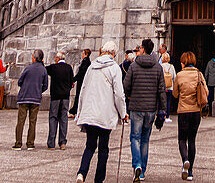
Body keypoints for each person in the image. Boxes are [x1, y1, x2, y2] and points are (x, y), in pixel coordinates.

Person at [75, 41, 127, 183]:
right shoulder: (114, 68)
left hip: (91, 113)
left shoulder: (92, 66)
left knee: (90, 146)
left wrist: (80, 111)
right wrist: (123, 113)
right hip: (105, 115)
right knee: (103, 148)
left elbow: (83, 90)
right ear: (113, 53)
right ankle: (99, 180)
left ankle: (81, 173)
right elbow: (119, 94)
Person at [123, 37, 166, 183]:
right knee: (145, 139)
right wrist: (163, 109)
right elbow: (162, 90)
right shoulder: (158, 67)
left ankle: (137, 165)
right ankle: (142, 172)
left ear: (143, 49)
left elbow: (125, 86)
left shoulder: (134, 66)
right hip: (150, 109)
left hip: (136, 107)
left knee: (135, 137)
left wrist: (130, 96)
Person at [172, 51, 208, 182]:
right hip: (195, 112)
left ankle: (185, 160)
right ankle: (191, 171)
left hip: (183, 112)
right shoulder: (199, 74)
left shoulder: (180, 75)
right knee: (192, 140)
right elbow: (206, 92)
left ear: (184, 62)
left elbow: (175, 94)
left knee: (182, 139)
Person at [13, 49, 48, 150]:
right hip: (35, 98)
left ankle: (18, 143)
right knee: (33, 122)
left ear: (35, 58)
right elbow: (45, 86)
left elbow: (20, 81)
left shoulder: (28, 68)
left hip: (24, 97)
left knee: (21, 121)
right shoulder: (43, 70)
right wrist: (38, 90)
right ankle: (30, 143)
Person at [45, 49, 73, 149]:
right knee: (63, 119)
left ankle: (51, 143)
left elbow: (45, 69)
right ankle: (62, 142)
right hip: (65, 97)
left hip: (55, 97)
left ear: (57, 58)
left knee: (53, 118)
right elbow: (71, 82)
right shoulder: (69, 68)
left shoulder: (54, 67)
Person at [70, 48, 92, 118]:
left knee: (79, 95)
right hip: (81, 80)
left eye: (83, 54)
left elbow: (81, 73)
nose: (82, 55)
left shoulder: (86, 62)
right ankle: (74, 110)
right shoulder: (85, 61)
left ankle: (74, 111)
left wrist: (74, 79)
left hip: (81, 81)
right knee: (78, 95)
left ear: (86, 54)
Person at [160, 48, 176, 117]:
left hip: (162, 87)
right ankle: (167, 115)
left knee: (162, 102)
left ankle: (161, 115)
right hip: (170, 87)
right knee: (168, 102)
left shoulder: (161, 66)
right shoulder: (171, 67)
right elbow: (174, 77)